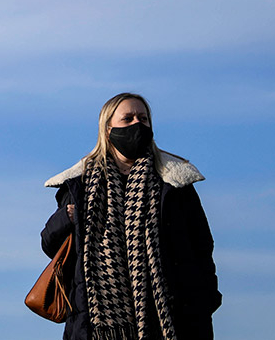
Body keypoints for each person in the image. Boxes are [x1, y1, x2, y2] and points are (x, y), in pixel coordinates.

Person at [41, 93, 221, 340]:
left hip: (168, 318)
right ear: (108, 129)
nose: (137, 124)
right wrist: (65, 218)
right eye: (128, 119)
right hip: (97, 325)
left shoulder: (173, 181)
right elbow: (50, 245)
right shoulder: (80, 186)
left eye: (143, 118)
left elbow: (202, 245)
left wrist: (206, 299)